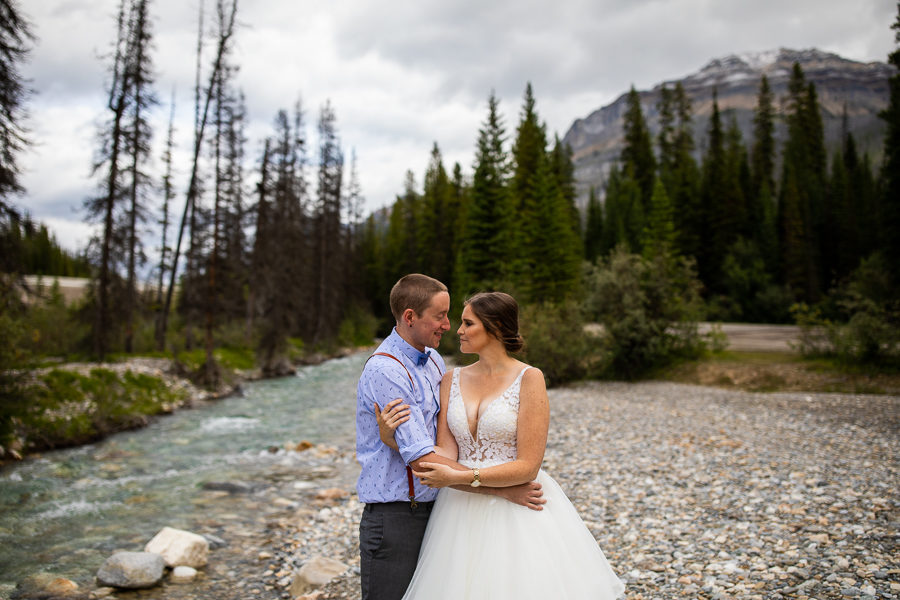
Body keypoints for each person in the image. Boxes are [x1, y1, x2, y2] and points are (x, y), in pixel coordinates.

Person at [378, 291, 626, 599]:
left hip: (518, 506)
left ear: (494, 327)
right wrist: (392, 439)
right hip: (458, 511)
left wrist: (461, 477)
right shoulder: (450, 379)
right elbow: (445, 452)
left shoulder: (529, 378)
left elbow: (528, 465)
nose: (457, 330)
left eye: (468, 323)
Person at [356, 275, 545, 600]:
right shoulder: (386, 370)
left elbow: (438, 445)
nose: (449, 326)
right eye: (441, 316)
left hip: (443, 506)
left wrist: (393, 441)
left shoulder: (434, 362)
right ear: (411, 317)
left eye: (458, 319)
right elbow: (422, 459)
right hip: (399, 514)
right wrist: (502, 490)